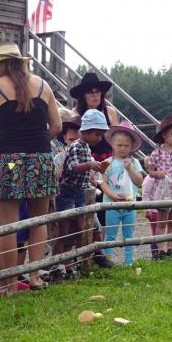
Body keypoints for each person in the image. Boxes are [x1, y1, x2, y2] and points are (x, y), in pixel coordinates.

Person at [0, 42, 61, 293]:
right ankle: (34, 276)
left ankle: (9, 283)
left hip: (8, 160)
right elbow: (57, 126)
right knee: (39, 220)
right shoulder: (43, 85)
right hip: (41, 158)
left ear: (0, 65)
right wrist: (38, 141)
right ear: (21, 62)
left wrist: (6, 144)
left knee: (9, 226)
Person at [53, 109, 109, 279]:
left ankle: (74, 264)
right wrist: (91, 165)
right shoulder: (76, 146)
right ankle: (55, 265)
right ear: (86, 131)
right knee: (64, 231)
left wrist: (95, 168)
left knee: (80, 229)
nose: (99, 138)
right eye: (97, 134)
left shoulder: (86, 148)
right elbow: (73, 168)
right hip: (67, 191)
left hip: (80, 191)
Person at [96, 122, 145, 265]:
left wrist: (129, 169)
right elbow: (102, 182)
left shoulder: (134, 162)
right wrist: (112, 195)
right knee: (110, 234)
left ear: (131, 146)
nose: (123, 148)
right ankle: (108, 260)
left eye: (126, 145)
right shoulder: (107, 163)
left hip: (130, 205)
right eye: (119, 145)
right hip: (112, 205)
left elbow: (139, 182)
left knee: (129, 234)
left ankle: (129, 261)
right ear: (112, 144)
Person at [146, 115, 172, 259]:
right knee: (162, 222)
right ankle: (161, 250)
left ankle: (170, 248)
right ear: (164, 135)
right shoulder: (157, 153)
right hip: (163, 191)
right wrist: (157, 174)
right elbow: (150, 172)